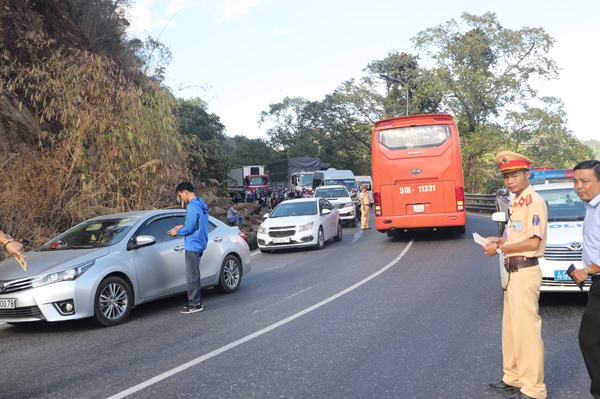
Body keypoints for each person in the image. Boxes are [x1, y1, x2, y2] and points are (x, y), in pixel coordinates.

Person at [482, 151, 548, 399]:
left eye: (515, 175)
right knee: (511, 330)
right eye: (506, 176)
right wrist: (501, 239)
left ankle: (534, 387)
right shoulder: (517, 201)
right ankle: (514, 376)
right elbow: (516, 235)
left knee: (527, 332)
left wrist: (500, 247)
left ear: (527, 174)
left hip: (525, 270)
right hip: (513, 272)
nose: (510, 181)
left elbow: (532, 241)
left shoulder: (533, 201)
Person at [570, 159, 600, 399]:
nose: (579, 186)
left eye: (585, 180)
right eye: (575, 181)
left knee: (589, 338)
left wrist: (588, 271)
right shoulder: (592, 208)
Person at [167, 182, 209, 314]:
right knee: (194, 274)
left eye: (181, 195)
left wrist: (177, 232)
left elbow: (190, 228)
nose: (182, 199)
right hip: (200, 242)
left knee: (192, 275)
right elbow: (197, 223)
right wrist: (182, 226)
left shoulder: (191, 206)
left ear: (185, 192)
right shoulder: (201, 204)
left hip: (193, 244)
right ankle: (193, 301)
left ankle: (195, 304)